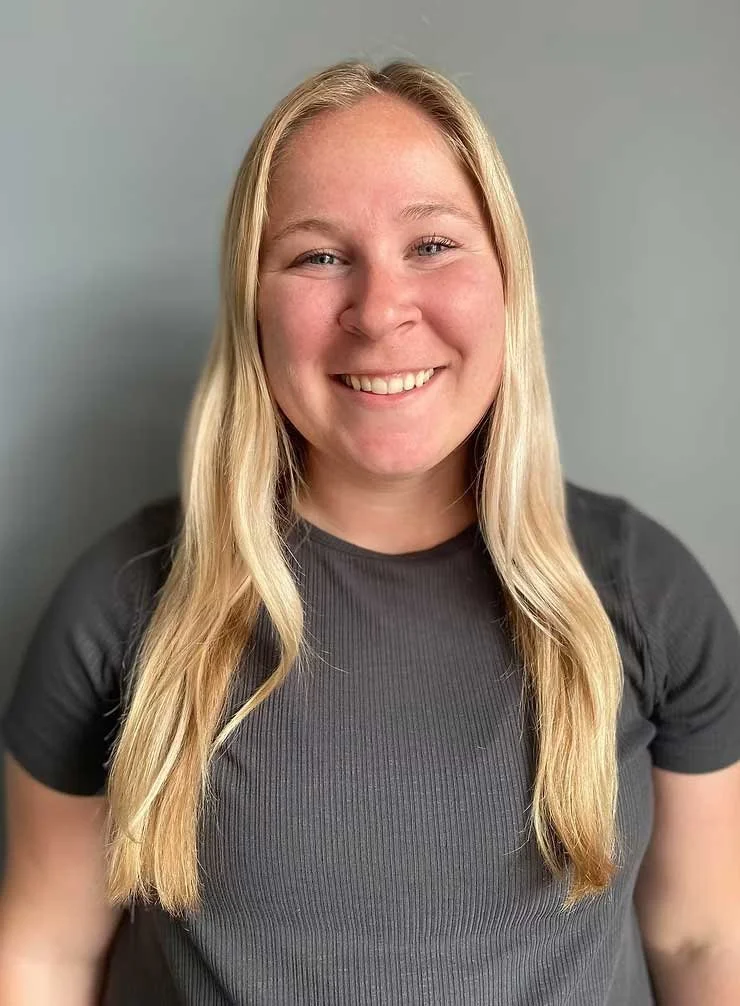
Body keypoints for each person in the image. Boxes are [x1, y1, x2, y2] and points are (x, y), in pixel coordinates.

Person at [0, 58, 739, 1006]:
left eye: (431, 244)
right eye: (317, 256)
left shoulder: (645, 589)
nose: (381, 311)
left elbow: (703, 938)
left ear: (508, 279)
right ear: (251, 304)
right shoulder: (125, 599)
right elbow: (48, 952)